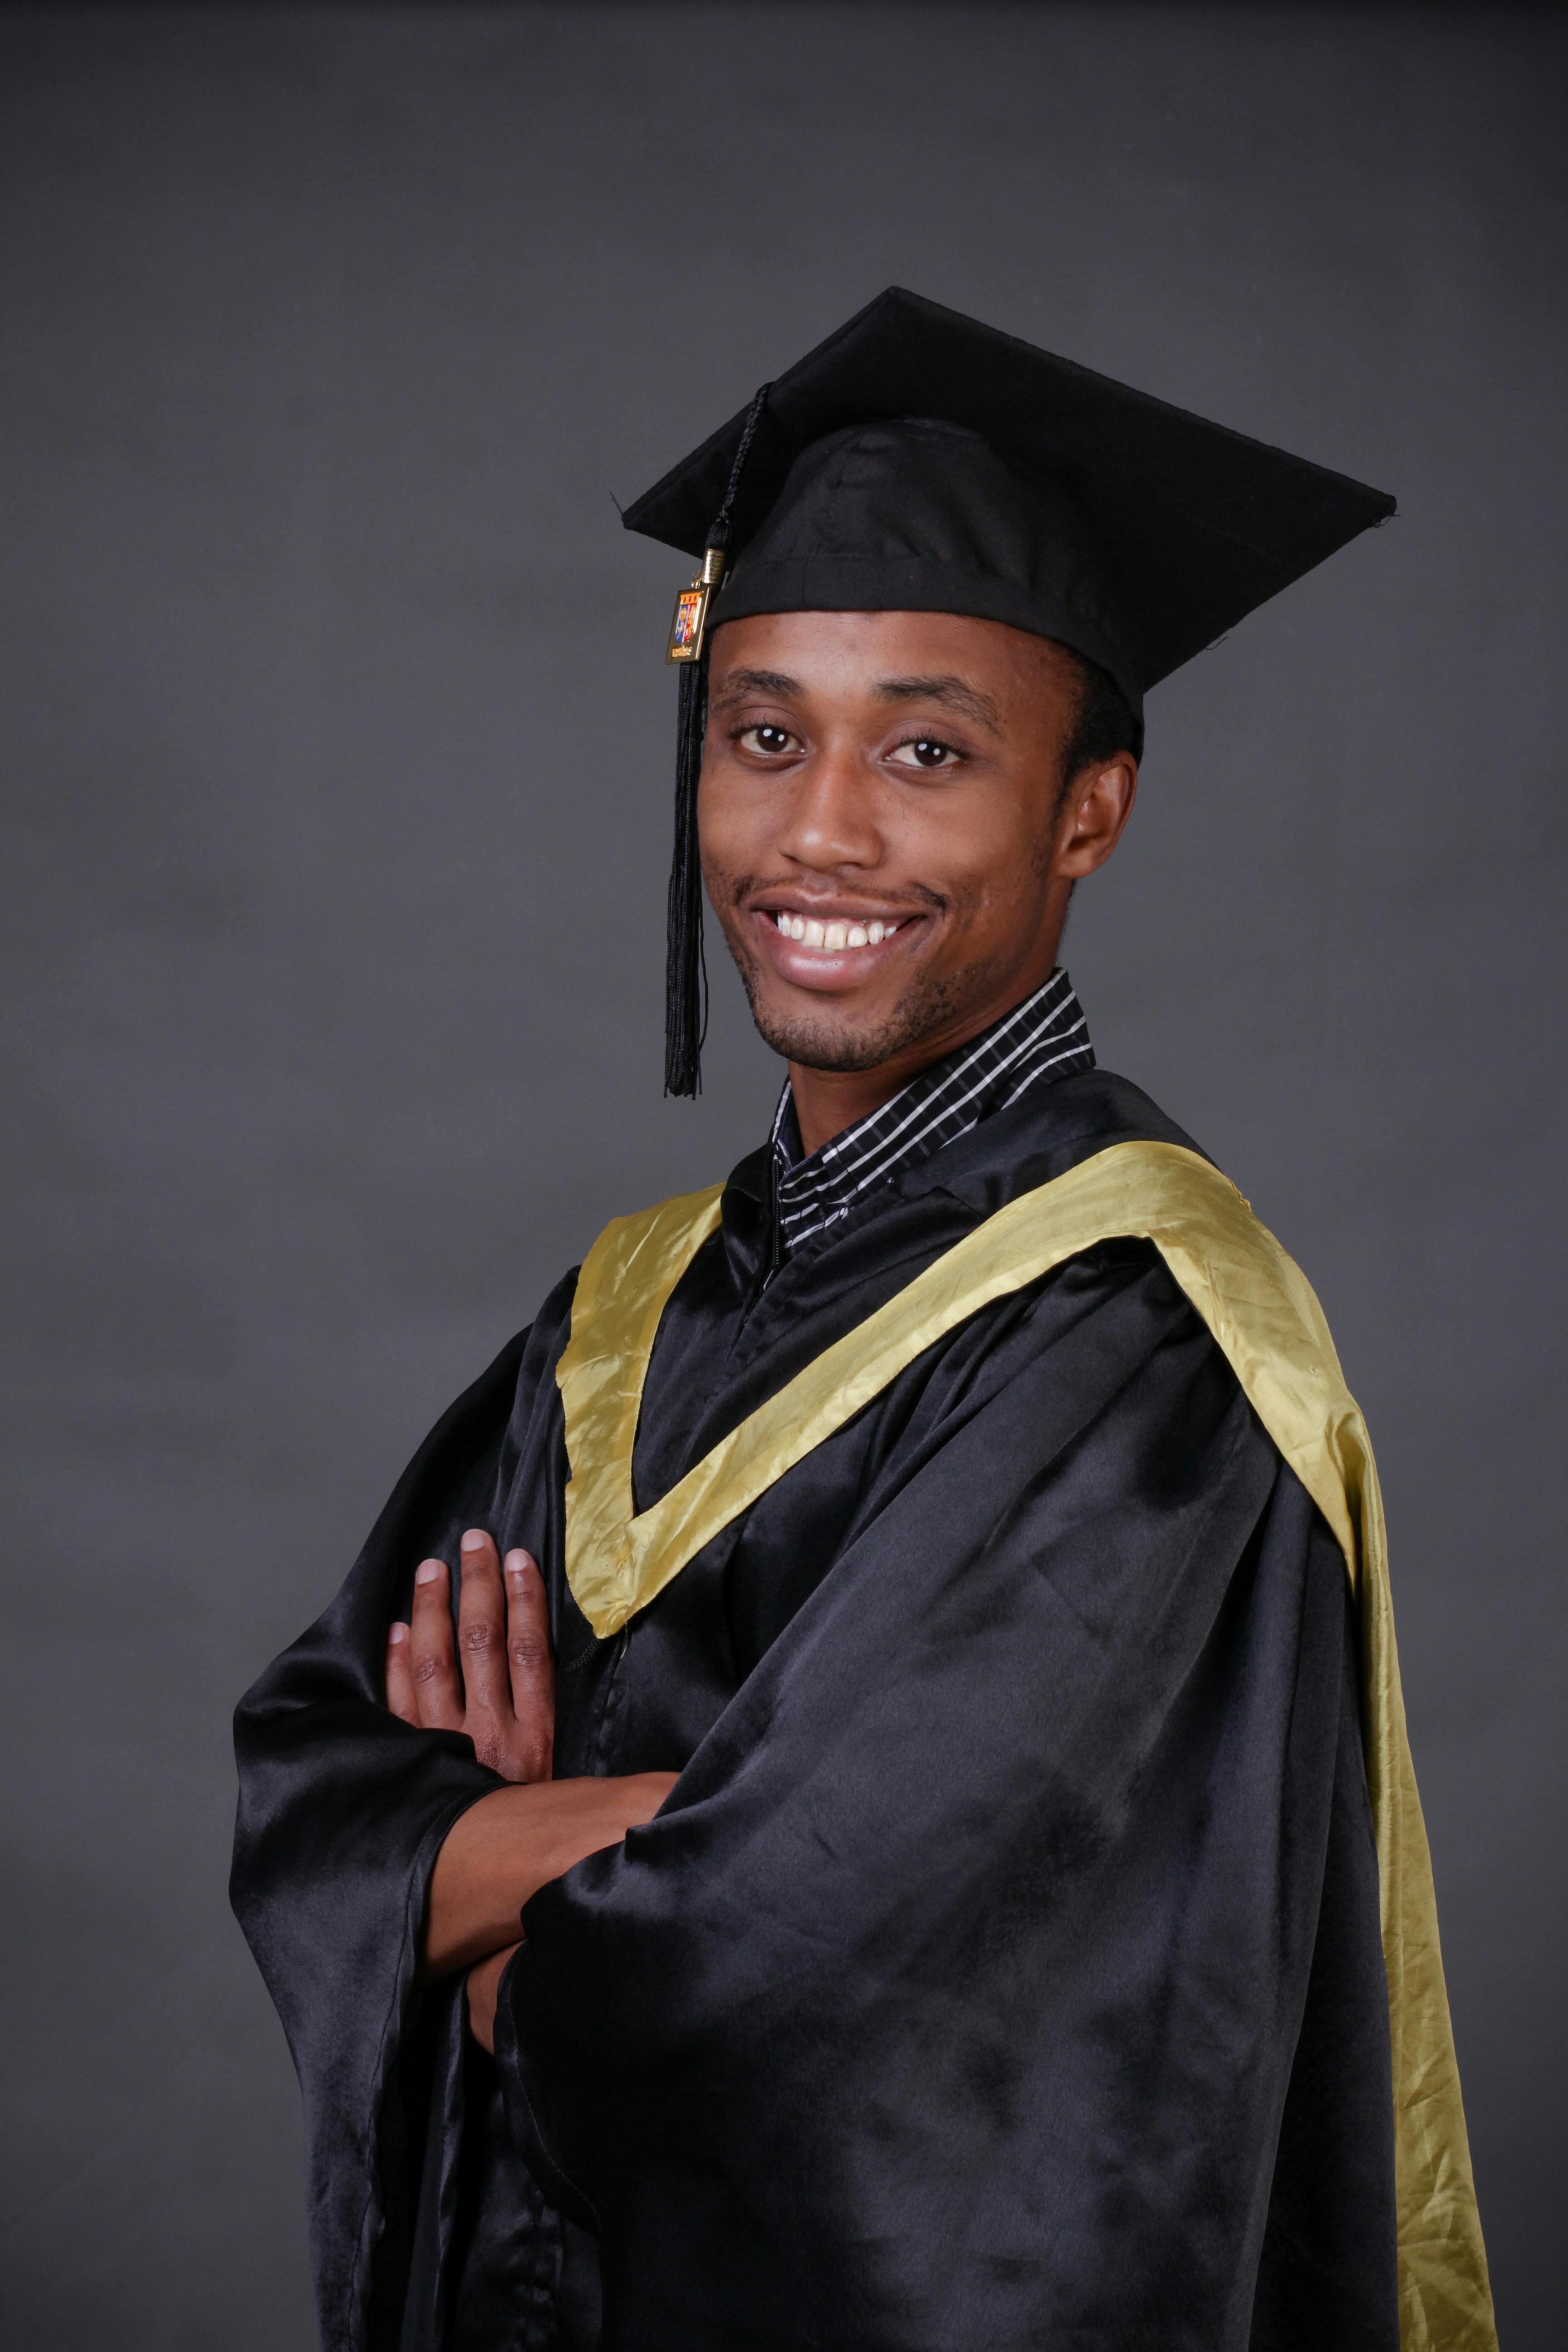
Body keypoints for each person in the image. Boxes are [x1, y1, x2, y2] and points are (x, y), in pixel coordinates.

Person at [231, 289, 1495, 2352]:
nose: (821, 830)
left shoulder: (1139, 1338)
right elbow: (308, 1783)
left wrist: (468, 1886)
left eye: (928, 749)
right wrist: (644, 1836)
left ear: (1088, 811)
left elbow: (786, 1962)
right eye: (762, 735)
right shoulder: (628, 1312)